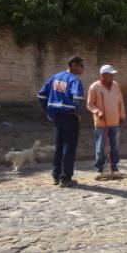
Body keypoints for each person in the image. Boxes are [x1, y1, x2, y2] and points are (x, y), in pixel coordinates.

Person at [37, 55, 85, 187]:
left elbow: (41, 95)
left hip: (57, 117)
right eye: (81, 65)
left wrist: (49, 111)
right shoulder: (75, 80)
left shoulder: (54, 77)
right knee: (69, 148)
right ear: (73, 65)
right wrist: (78, 113)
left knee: (59, 147)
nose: (83, 69)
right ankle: (66, 178)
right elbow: (77, 99)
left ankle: (56, 175)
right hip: (70, 117)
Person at [87, 64, 126, 179]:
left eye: (113, 74)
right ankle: (99, 168)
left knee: (114, 145)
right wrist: (98, 113)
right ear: (103, 75)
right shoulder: (94, 87)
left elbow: (120, 102)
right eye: (110, 74)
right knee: (101, 146)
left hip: (114, 120)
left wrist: (122, 116)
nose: (113, 76)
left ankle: (114, 167)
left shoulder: (115, 85)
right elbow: (90, 104)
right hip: (101, 122)